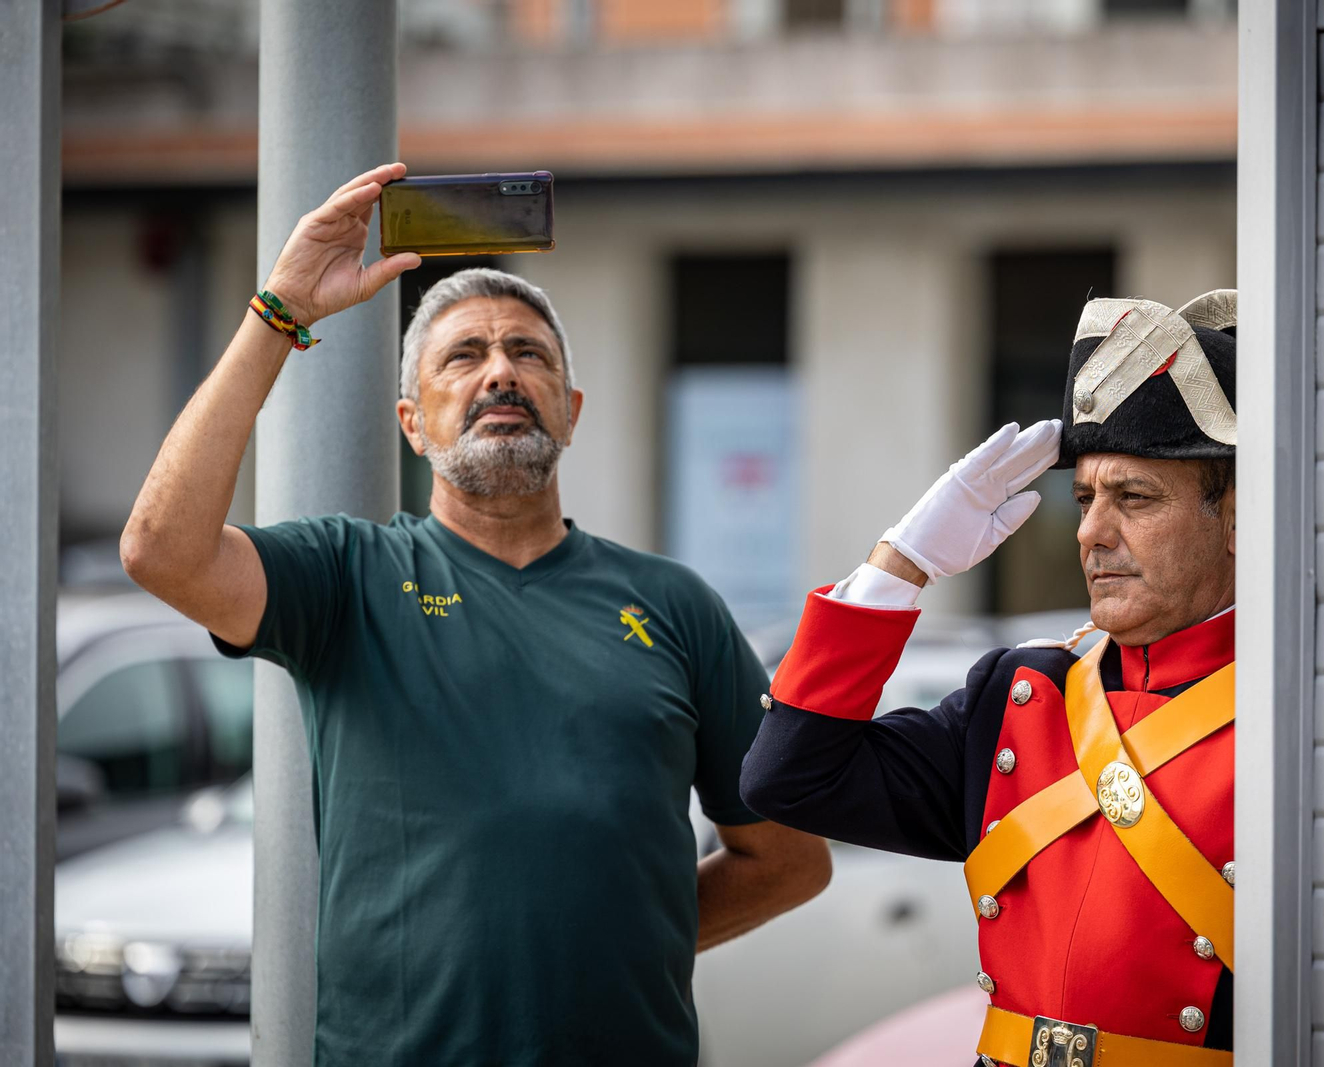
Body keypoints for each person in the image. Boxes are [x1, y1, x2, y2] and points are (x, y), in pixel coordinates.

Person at [121, 162, 831, 1067]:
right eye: (465, 356)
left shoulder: (675, 604)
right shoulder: (347, 575)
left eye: (528, 354)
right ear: (414, 423)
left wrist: (614, 944)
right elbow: (160, 550)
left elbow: (789, 859)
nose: (501, 370)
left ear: (569, 414)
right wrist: (278, 312)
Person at [740, 290, 1241, 1066]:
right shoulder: (1021, 695)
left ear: (1237, 516)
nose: (1090, 532)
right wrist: (901, 562)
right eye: (1083, 498)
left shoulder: (1289, 715)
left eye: (1133, 498)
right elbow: (788, 776)